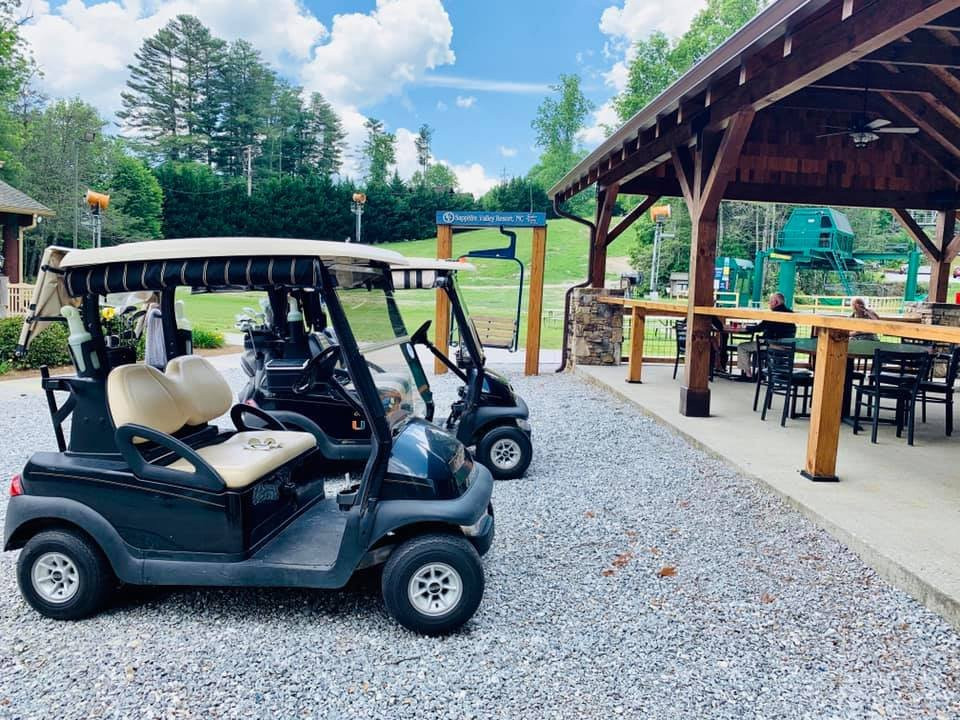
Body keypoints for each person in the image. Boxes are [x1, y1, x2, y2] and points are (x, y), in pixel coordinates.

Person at [737, 292, 795, 377]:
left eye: (770, 301)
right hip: (787, 346)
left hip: (771, 345)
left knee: (742, 346)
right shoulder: (791, 313)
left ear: (776, 302)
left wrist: (745, 327)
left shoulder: (773, 314)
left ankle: (748, 375)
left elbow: (759, 328)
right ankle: (760, 373)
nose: (769, 303)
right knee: (758, 345)